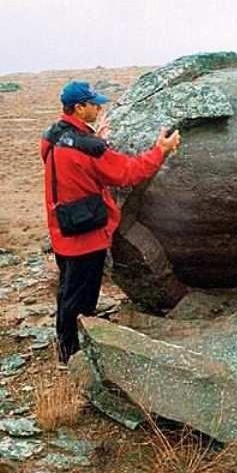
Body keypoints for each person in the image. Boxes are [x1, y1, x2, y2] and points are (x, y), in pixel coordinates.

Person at [40, 80, 181, 366]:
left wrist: (94, 138)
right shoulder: (88, 148)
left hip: (61, 229)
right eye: (94, 104)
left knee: (67, 290)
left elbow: (64, 159)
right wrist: (161, 150)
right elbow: (128, 173)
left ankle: (65, 345)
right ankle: (73, 357)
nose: (99, 107)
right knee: (81, 299)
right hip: (85, 236)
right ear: (79, 108)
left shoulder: (53, 136)